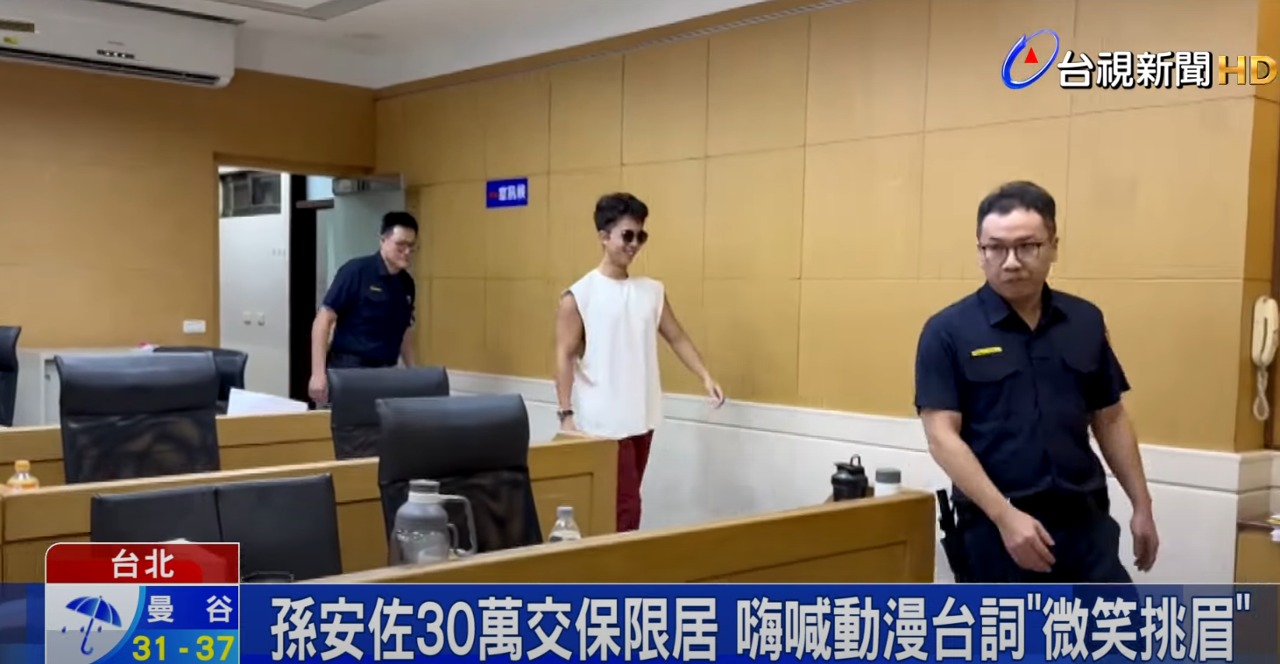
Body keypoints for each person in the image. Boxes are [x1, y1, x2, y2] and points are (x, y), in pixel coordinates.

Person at [914, 181, 1159, 583]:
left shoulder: (1085, 321)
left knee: (1117, 626)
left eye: (1027, 246)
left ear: (1054, 246)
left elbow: (1110, 417)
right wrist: (1005, 516)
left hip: (1085, 526)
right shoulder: (947, 332)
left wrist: (1142, 505)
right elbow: (942, 436)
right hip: (997, 531)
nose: (1011, 262)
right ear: (980, 252)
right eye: (995, 248)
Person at [554, 192, 725, 532]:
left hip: (642, 417)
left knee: (623, 503)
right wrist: (566, 415)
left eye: (641, 236)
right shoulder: (579, 295)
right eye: (627, 235)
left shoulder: (651, 291)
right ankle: (618, 562)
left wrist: (704, 375)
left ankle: (609, 559)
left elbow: (676, 336)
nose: (634, 244)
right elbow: (564, 355)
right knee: (626, 507)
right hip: (601, 422)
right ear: (604, 236)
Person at [308, 211, 419, 404]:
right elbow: (323, 320)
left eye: (411, 246)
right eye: (401, 244)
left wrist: (413, 371)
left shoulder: (406, 283)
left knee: (384, 423)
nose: (407, 252)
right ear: (383, 240)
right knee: (349, 423)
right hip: (350, 370)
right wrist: (318, 374)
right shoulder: (356, 272)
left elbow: (404, 330)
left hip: (386, 373)